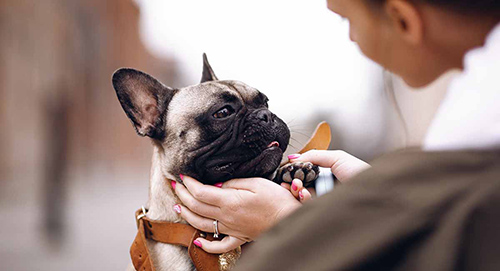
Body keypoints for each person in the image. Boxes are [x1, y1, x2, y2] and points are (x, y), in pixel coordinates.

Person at [172, 0, 500, 270]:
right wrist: (367, 185)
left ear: (402, 19)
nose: (352, 38)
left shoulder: (475, 162)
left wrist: (283, 220)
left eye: (347, 21)